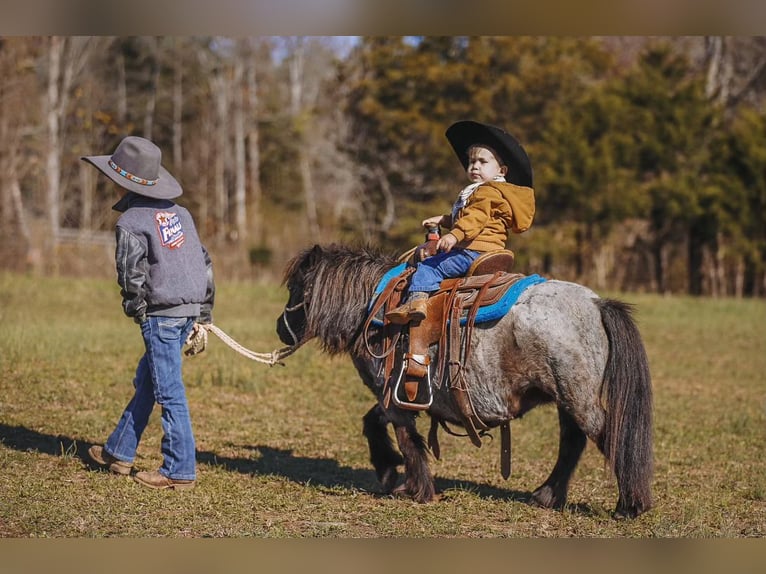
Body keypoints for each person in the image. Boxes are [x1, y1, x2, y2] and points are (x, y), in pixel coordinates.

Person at [82, 136, 215, 490]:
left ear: (122, 179)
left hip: (162, 317)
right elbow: (204, 263)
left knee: (168, 390)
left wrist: (137, 308)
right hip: (187, 311)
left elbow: (130, 273)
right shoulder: (181, 214)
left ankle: (179, 470)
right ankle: (119, 451)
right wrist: (203, 312)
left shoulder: (131, 221)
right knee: (150, 382)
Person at [386, 120, 535, 324]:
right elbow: (472, 218)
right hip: (483, 247)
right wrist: (445, 220)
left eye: (483, 162)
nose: (475, 166)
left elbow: (474, 220)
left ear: (502, 171)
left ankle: (416, 303)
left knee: (429, 266)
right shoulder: (489, 191)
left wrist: (454, 235)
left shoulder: (487, 191)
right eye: (471, 162)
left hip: (473, 250)